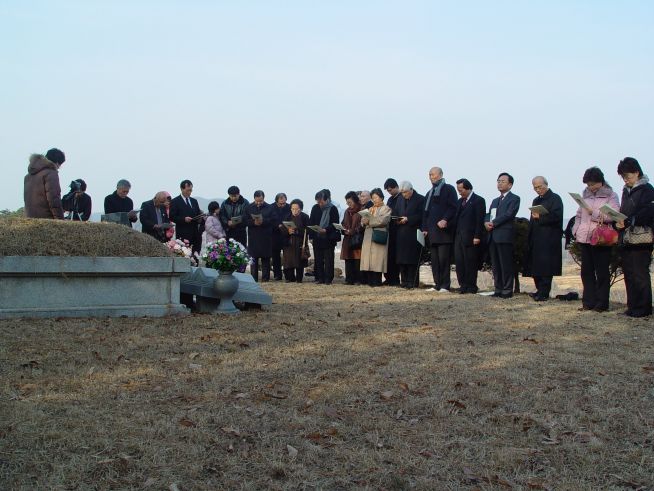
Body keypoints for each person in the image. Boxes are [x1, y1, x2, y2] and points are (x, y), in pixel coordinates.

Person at [572, 167, 620, 312]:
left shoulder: (611, 195)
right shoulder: (584, 195)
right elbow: (579, 215)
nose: (590, 187)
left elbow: (614, 215)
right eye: (588, 184)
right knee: (586, 271)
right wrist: (575, 229)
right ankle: (588, 302)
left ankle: (602, 303)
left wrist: (594, 213)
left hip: (601, 238)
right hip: (584, 237)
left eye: (593, 184)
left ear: (601, 182)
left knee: (602, 271)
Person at [615, 157, 654, 317]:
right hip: (627, 237)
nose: (626, 180)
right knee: (629, 274)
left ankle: (644, 308)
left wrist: (630, 220)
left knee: (640, 274)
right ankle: (632, 306)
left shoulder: (647, 189)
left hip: (642, 238)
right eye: (623, 177)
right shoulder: (626, 190)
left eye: (628, 176)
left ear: (637, 172)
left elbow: (648, 212)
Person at [523, 176, 564, 301]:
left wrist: (540, 217)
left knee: (546, 267)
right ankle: (539, 290)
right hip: (536, 238)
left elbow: (557, 217)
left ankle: (544, 293)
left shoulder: (555, 198)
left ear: (546, 184)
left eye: (540, 187)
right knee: (536, 267)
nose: (538, 190)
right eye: (535, 188)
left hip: (549, 238)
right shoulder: (536, 200)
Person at [484, 172, 521, 298]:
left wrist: (493, 223)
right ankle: (498, 288)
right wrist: (486, 222)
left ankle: (507, 289)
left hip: (504, 235)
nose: (499, 183)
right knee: (496, 264)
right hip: (493, 236)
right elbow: (488, 214)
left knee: (506, 264)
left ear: (510, 185)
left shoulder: (514, 198)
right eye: (498, 181)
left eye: (503, 181)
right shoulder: (495, 200)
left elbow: (509, 214)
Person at [422, 166, 458, 292]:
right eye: (430, 174)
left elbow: (453, 207)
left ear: (441, 175)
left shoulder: (449, 189)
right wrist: (424, 228)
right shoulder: (429, 193)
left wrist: (445, 219)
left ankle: (445, 285)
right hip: (432, 233)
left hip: (444, 233)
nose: (432, 177)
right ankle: (437, 284)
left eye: (434, 174)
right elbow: (425, 214)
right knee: (435, 261)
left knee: (444, 260)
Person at [454, 178, 486, 294]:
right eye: (458, 190)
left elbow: (479, 220)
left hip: (471, 237)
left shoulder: (478, 200)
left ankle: (471, 286)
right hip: (459, 237)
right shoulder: (459, 202)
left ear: (468, 188)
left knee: (470, 263)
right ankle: (462, 285)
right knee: (460, 262)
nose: (459, 192)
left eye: (461, 189)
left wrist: (477, 236)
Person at [394, 181, 425, 289]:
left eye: (406, 192)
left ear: (411, 189)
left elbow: (422, 215)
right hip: (401, 233)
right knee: (402, 260)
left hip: (413, 233)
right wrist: (397, 220)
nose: (404, 195)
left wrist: (409, 219)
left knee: (412, 260)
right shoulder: (400, 199)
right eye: (402, 193)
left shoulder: (420, 199)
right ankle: (404, 281)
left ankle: (413, 282)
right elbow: (396, 213)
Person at [360, 188, 392, 287]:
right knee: (368, 260)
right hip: (368, 236)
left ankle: (377, 282)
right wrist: (363, 222)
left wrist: (369, 221)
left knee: (377, 260)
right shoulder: (370, 209)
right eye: (373, 198)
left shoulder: (386, 208)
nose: (374, 200)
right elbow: (363, 221)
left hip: (379, 235)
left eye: (376, 197)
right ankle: (370, 281)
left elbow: (382, 221)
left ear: (381, 197)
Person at [308, 189, 341, 284]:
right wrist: (311, 237)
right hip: (317, 238)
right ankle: (320, 278)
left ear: (326, 200)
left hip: (328, 238)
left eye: (321, 202)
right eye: (318, 202)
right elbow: (311, 222)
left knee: (329, 260)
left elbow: (335, 223)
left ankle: (328, 279)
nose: (320, 204)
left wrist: (326, 230)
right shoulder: (315, 208)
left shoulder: (333, 208)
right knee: (318, 260)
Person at [24, 148, 65, 219]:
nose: (58, 168)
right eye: (59, 165)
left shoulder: (28, 176)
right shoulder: (51, 173)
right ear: (57, 163)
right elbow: (54, 198)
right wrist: (60, 220)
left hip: (31, 219)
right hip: (47, 220)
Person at [246, 190, 276, 282]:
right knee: (253, 259)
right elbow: (244, 220)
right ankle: (253, 278)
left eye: (261, 201)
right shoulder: (249, 207)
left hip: (265, 236)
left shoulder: (270, 207)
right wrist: (253, 222)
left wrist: (263, 221)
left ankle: (265, 278)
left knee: (266, 258)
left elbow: (274, 220)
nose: (259, 203)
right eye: (257, 201)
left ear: (264, 198)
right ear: (254, 199)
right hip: (253, 237)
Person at [169, 180, 205, 255]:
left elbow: (197, 213)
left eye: (191, 190)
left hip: (195, 233)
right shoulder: (175, 201)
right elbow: (172, 217)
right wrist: (183, 219)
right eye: (188, 190)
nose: (190, 192)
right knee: (185, 254)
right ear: (182, 189)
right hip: (183, 233)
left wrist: (201, 217)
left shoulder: (194, 201)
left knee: (196, 254)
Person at [282, 199, 310, 282]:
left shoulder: (305, 217)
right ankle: (290, 278)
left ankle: (299, 279)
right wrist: (288, 231)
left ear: (300, 209)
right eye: (292, 209)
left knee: (299, 262)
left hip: (300, 242)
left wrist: (297, 231)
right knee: (288, 262)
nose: (294, 211)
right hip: (289, 242)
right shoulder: (287, 216)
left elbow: (308, 229)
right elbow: (282, 228)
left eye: (296, 209)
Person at [340, 191, 364, 285]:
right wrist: (343, 229)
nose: (348, 204)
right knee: (348, 259)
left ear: (355, 201)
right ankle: (349, 279)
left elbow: (363, 225)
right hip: (347, 238)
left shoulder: (362, 210)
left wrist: (353, 231)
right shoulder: (347, 211)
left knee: (357, 260)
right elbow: (343, 223)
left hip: (357, 239)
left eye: (350, 202)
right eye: (347, 202)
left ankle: (358, 280)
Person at [384, 178, 401, 286]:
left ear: (396, 187)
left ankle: (395, 279)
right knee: (389, 256)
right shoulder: (390, 200)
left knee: (396, 257)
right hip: (390, 230)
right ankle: (389, 278)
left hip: (398, 230)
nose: (389, 192)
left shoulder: (401, 198)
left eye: (390, 190)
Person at [271, 193, 291, 281]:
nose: (282, 205)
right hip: (274, 235)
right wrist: (277, 225)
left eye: (284, 203)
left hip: (286, 234)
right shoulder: (271, 207)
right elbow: (269, 220)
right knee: (275, 256)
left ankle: (288, 275)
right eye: (280, 204)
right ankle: (277, 275)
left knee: (287, 255)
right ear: (276, 202)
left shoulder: (289, 207)